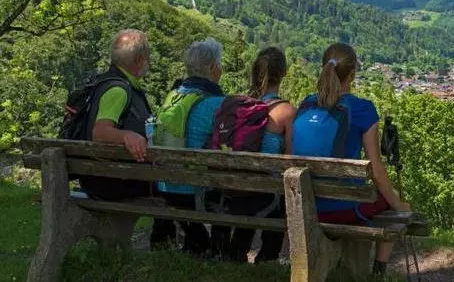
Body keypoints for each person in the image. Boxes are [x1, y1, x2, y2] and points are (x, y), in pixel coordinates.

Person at [292, 42, 410, 275]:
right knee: (396, 200)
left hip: (304, 205)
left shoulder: (306, 103)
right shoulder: (362, 109)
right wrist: (400, 207)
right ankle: (378, 273)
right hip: (342, 208)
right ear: (353, 74)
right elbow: (376, 169)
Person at [151, 38, 226, 256]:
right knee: (231, 191)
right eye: (219, 64)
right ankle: (220, 252)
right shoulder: (216, 104)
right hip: (194, 192)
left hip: (165, 187)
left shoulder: (172, 97)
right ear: (213, 68)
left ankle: (194, 243)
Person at [224, 46, 295, 264]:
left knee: (255, 192)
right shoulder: (286, 111)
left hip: (236, 188)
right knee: (284, 186)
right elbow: (292, 159)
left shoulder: (239, 106)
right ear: (283, 74)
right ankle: (267, 256)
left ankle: (237, 251)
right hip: (268, 194)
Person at [79, 29, 152, 201]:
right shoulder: (118, 90)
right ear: (140, 60)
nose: (149, 62)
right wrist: (127, 135)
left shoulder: (104, 82)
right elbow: (100, 132)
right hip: (115, 184)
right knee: (173, 191)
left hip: (99, 178)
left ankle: (164, 228)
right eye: (148, 57)